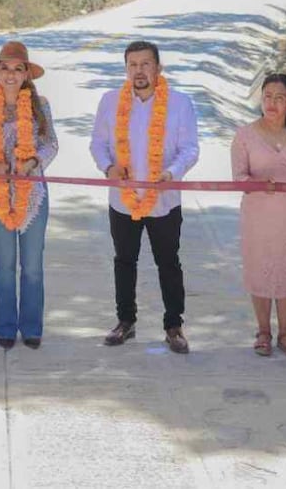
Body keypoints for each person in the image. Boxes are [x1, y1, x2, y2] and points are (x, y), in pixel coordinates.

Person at [89, 41, 199, 354]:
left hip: (164, 201)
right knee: (124, 261)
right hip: (122, 199)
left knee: (169, 262)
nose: (139, 71)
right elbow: (98, 144)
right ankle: (125, 321)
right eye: (133, 65)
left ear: (158, 68)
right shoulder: (110, 102)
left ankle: (173, 326)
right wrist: (108, 167)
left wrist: (172, 172)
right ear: (126, 69)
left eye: (145, 64)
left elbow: (190, 148)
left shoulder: (179, 103)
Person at [0, 41, 58, 350]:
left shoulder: (40, 105)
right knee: (4, 263)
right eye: (5, 68)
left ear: (27, 73)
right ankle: (4, 327)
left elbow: (51, 144)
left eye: (18, 69)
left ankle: (32, 328)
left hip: (34, 196)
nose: (11, 75)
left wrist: (32, 161)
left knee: (32, 266)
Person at [230, 73, 286, 358]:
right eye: (267, 96)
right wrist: (260, 185)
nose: (272, 103)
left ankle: (285, 333)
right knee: (260, 268)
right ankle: (263, 332)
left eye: (280, 98)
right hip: (259, 216)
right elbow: (239, 179)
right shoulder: (245, 135)